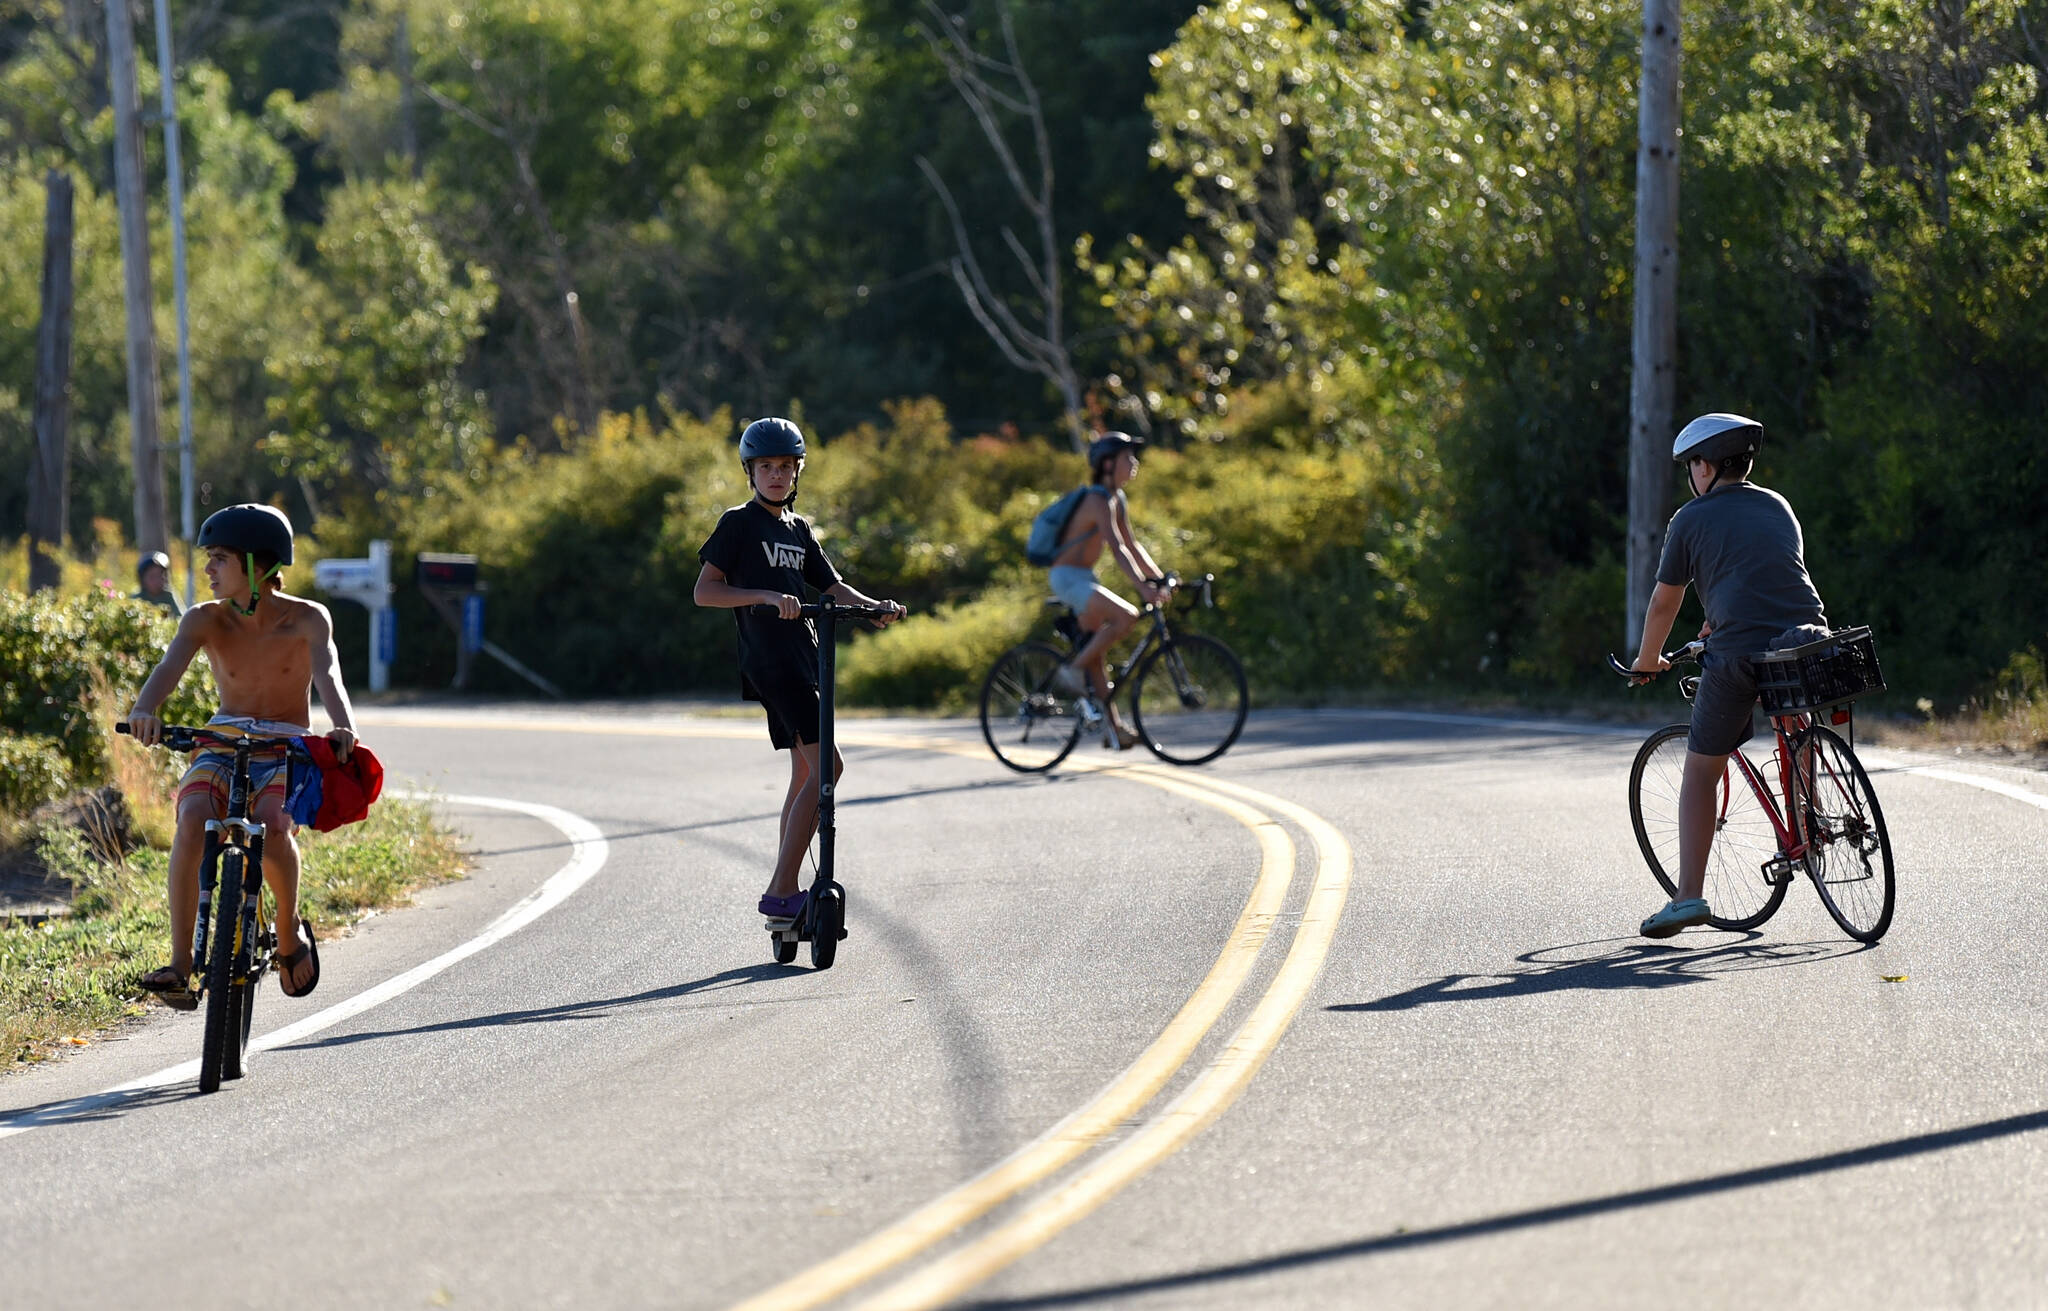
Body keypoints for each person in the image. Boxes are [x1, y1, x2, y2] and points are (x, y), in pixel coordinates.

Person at [125, 504, 360, 1004]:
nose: (208, 570)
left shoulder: (308, 618)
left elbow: (328, 674)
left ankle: (288, 928)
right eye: (209, 559)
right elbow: (168, 669)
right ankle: (181, 963)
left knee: (274, 824)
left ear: (256, 566)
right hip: (223, 737)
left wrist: (342, 725)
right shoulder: (203, 619)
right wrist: (146, 708)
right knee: (192, 818)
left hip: (283, 742)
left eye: (219, 559)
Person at [692, 418, 906, 921]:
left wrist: (875, 606)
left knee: (806, 771)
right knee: (830, 767)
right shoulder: (738, 523)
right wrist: (765, 596)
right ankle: (782, 887)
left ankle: (783, 897)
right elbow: (705, 591)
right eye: (766, 466)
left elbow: (832, 587)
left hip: (804, 657)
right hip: (770, 661)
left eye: (785, 466)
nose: (776, 475)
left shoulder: (798, 528)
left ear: (797, 472)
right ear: (750, 472)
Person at [1628, 413, 1828, 938]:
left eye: (1690, 465)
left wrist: (1648, 659)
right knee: (1795, 722)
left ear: (1705, 465)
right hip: (1806, 640)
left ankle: (1688, 897)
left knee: (1700, 770)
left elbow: (1665, 601)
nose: (1690, 475)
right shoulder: (1777, 504)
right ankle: (1811, 824)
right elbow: (1764, 573)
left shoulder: (1690, 519)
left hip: (1738, 654)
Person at [1045, 431, 1173, 749]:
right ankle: (1070, 672)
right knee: (1127, 617)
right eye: (1127, 458)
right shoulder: (1097, 499)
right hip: (1067, 577)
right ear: (1106, 464)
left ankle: (1114, 730)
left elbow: (1132, 543)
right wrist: (1143, 589)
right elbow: (1116, 548)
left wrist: (1159, 578)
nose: (1134, 463)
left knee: (1096, 654)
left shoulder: (1117, 499)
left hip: (1083, 576)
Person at [132, 550, 184, 617]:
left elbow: (180, 619)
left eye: (160, 575)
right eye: (152, 577)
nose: (157, 580)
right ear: (142, 579)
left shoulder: (168, 596)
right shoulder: (137, 599)